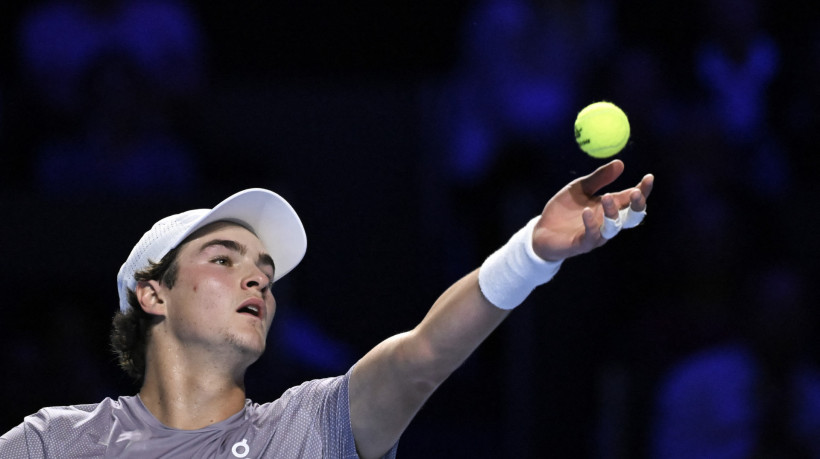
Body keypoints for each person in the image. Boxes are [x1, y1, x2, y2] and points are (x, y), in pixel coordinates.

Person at [0, 160, 653, 458]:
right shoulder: (53, 443)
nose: (257, 279)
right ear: (154, 294)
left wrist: (530, 254)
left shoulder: (311, 427)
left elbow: (422, 356)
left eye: (264, 269)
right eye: (225, 259)